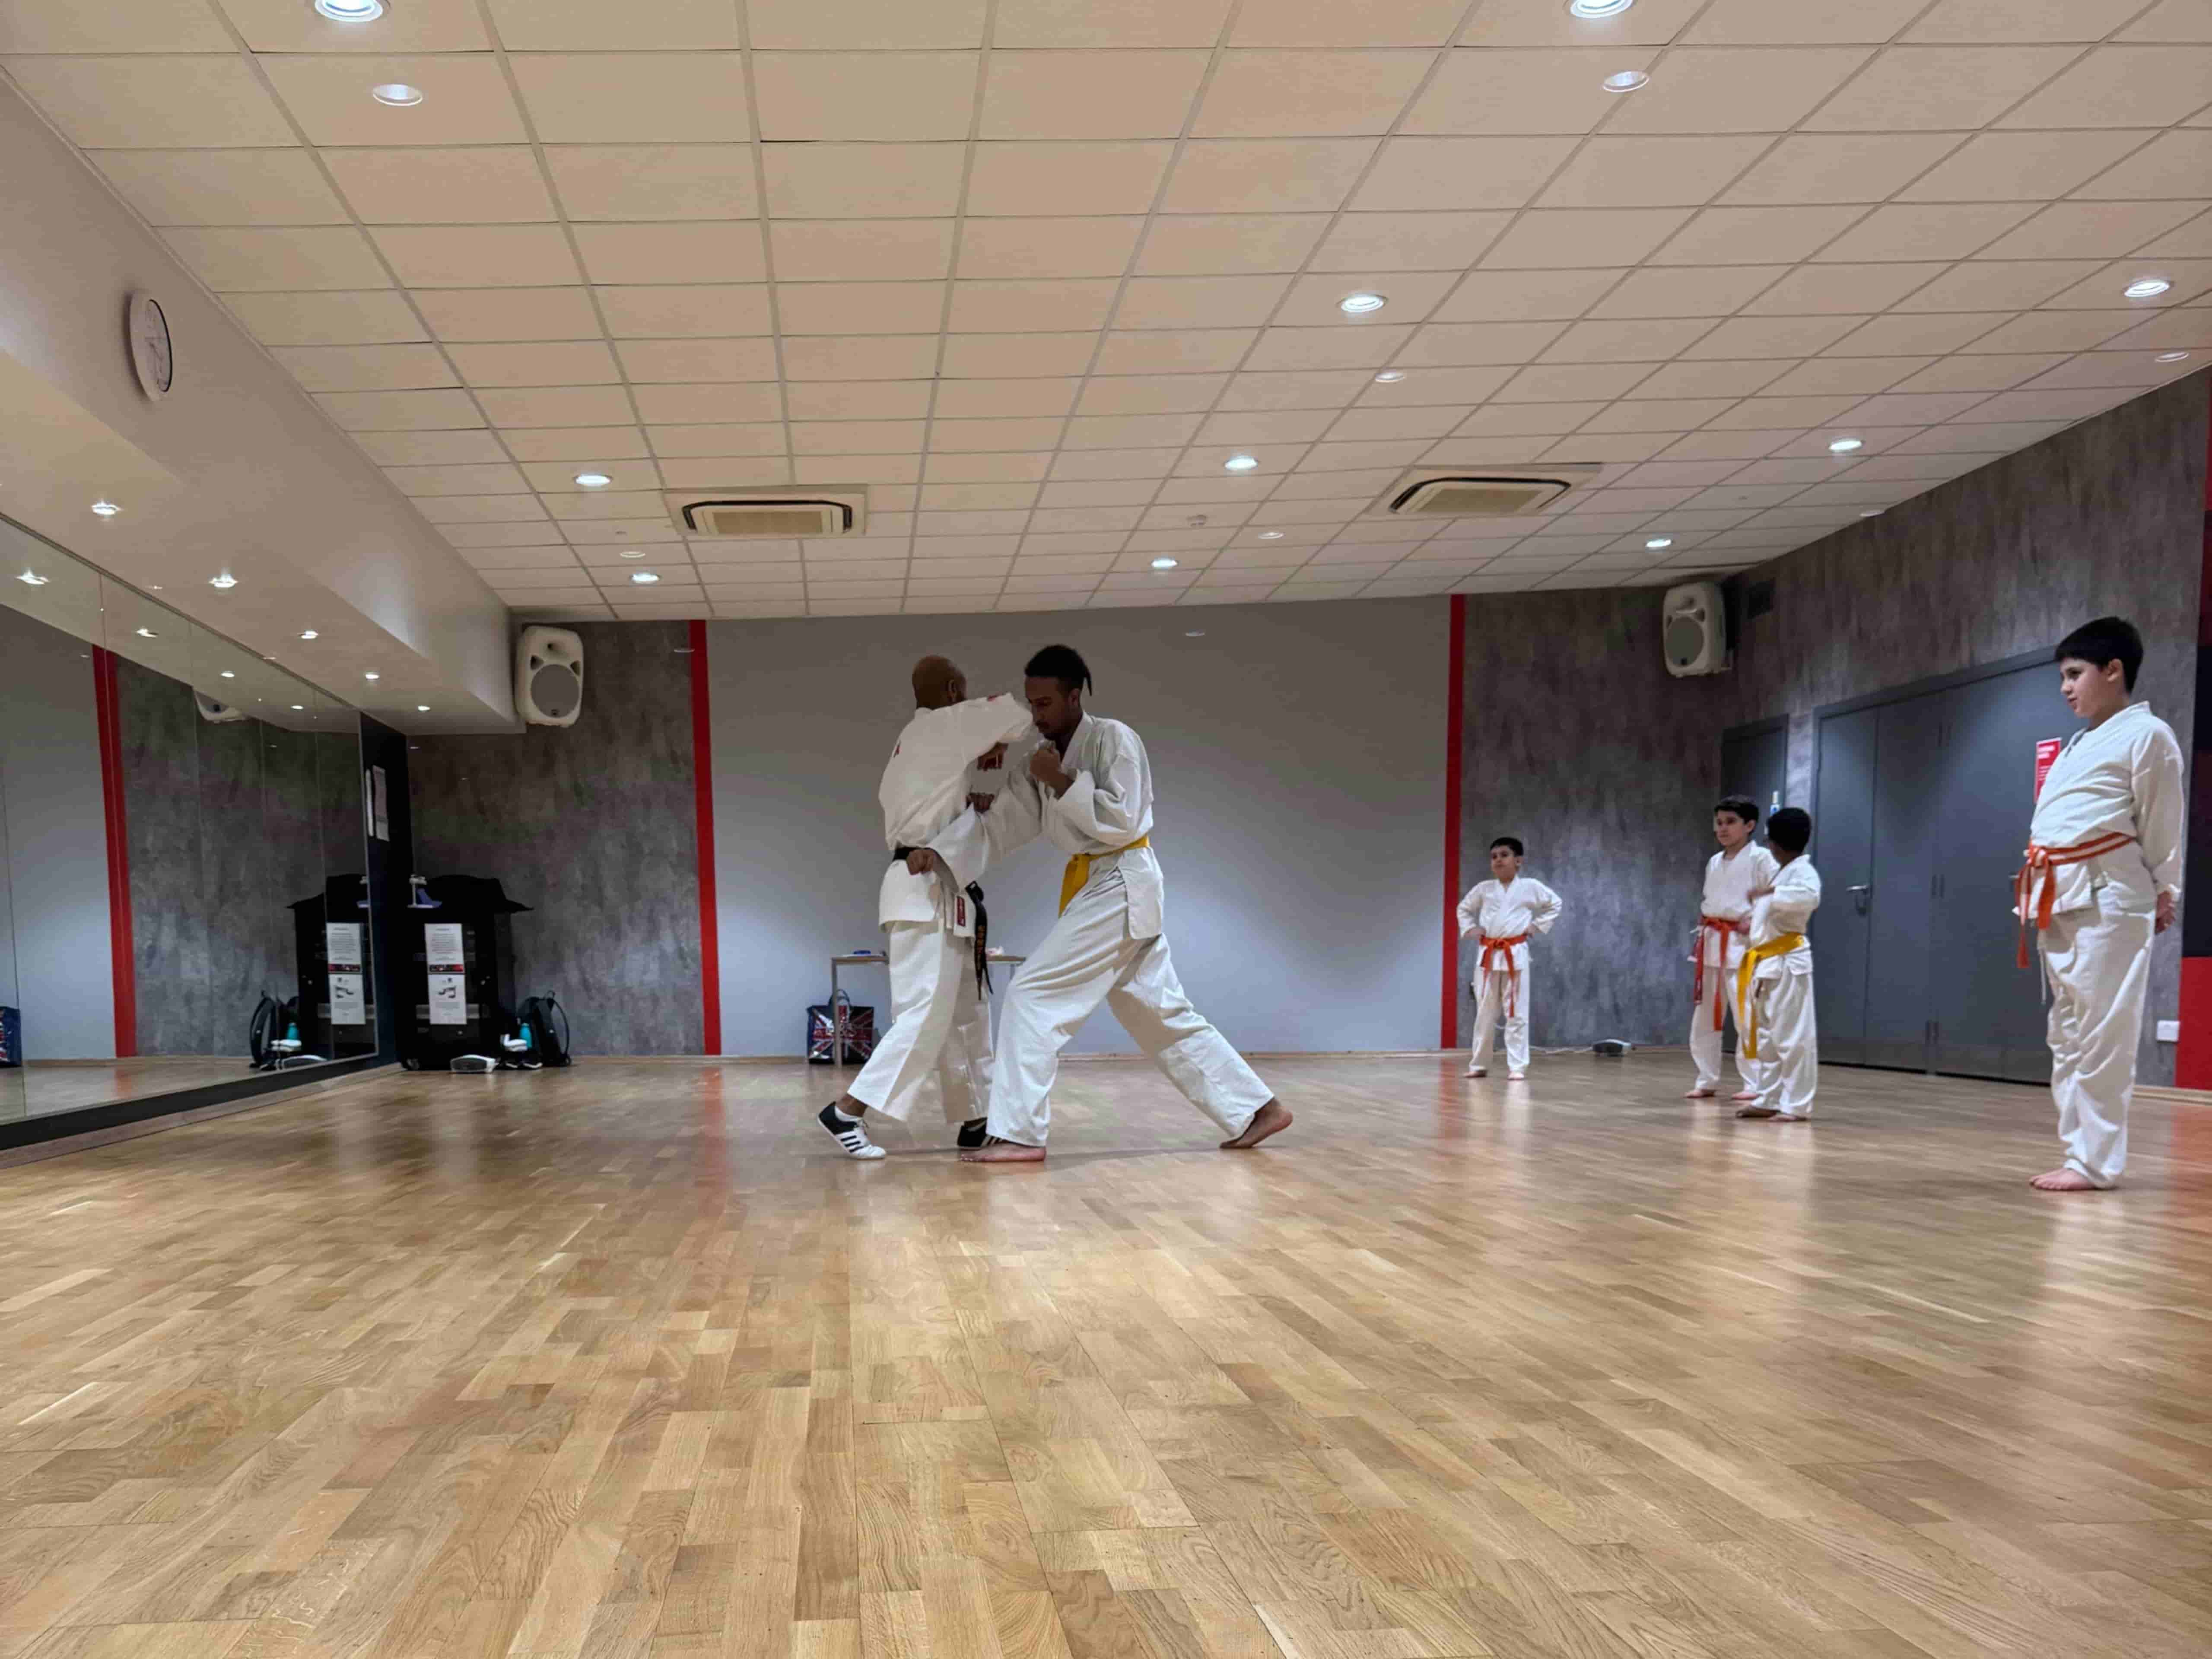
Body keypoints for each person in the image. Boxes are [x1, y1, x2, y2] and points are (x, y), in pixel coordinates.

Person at [924, 644, 1292, 1164]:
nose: (1037, 714)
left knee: (1030, 995)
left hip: (1122, 876)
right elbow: (1006, 821)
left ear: (1075, 697)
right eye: (1031, 704)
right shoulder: (1042, 757)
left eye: (1046, 703)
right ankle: (1258, 1109)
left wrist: (1063, 783)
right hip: (1100, 885)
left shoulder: (1114, 739)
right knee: (1158, 1013)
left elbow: (1123, 819)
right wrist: (939, 851)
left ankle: (1020, 1134)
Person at [815, 655, 1032, 1160]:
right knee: (924, 1014)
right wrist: (997, 740)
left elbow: (933, 808)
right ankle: (847, 1110)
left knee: (964, 1011)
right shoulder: (944, 725)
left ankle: (977, 1118)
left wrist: (968, 795)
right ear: (955, 689)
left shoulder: (910, 743)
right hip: (923, 886)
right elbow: (1017, 714)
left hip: (933, 887)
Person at [2017, 617, 2182, 1192]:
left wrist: (2167, 889)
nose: (2065, 687)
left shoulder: (2150, 736)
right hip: (2059, 895)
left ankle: (2095, 1162)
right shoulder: (2080, 744)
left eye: (2074, 674)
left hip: (2112, 897)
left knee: (2103, 1033)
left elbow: (2164, 828)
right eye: (2062, 676)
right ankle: (2077, 1151)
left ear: (2113, 671)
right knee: (2067, 1032)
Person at [1688, 797, 1779, 1101]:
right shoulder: (1714, 861)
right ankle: (1707, 1079)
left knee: (1747, 1016)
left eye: (1731, 822)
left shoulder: (1762, 859)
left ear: (1750, 826)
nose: (1723, 829)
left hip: (1743, 945)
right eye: (1719, 823)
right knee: (1705, 1016)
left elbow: (1775, 897)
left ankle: (1755, 1082)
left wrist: (1754, 921)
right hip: (1713, 941)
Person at [1735, 807, 1820, 1122]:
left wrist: (1770, 894)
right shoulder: (1783, 873)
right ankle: (1769, 1098)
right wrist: (1751, 923)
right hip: (1767, 961)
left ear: (1776, 844)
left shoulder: (1802, 873)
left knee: (1793, 1037)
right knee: (1768, 1037)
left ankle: (1797, 1105)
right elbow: (1770, 912)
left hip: (1788, 961)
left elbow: (1808, 899)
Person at [1456, 837, 1564, 1081]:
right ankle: (1479, 1064)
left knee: (1517, 1012)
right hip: (1488, 955)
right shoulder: (1484, 889)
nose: (1498, 861)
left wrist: (1537, 927)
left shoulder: (1530, 887)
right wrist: (1471, 929)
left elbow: (1555, 904)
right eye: (1494, 857)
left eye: (1504, 855)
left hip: (1515, 954)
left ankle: (1517, 1066)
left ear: (1518, 861)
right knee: (1485, 1012)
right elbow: (1463, 909)